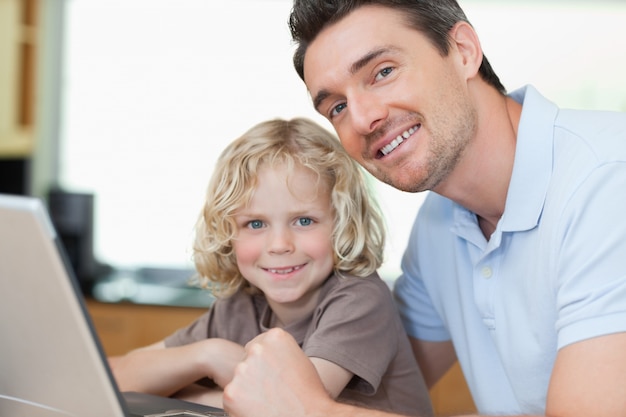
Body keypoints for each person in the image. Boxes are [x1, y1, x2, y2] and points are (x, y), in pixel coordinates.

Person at [222, 1, 626, 417]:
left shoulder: (608, 181)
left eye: (383, 72)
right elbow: (375, 386)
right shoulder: (440, 223)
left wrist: (308, 411)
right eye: (337, 107)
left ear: (464, 51)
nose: (362, 119)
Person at [109, 117, 433, 416]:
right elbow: (114, 376)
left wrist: (179, 392)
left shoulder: (359, 299)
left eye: (304, 220)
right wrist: (207, 354)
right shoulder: (239, 307)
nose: (279, 245)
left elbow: (283, 406)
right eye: (255, 224)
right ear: (228, 233)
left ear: (342, 223)